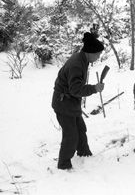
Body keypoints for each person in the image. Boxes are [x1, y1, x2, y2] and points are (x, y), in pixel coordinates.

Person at [51, 32, 105, 170]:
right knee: (71, 136)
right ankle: (63, 165)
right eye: (97, 54)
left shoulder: (83, 59)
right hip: (63, 103)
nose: (98, 57)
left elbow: (75, 89)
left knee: (80, 129)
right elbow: (75, 89)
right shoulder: (77, 64)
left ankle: (84, 154)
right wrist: (94, 88)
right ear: (90, 52)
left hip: (71, 102)